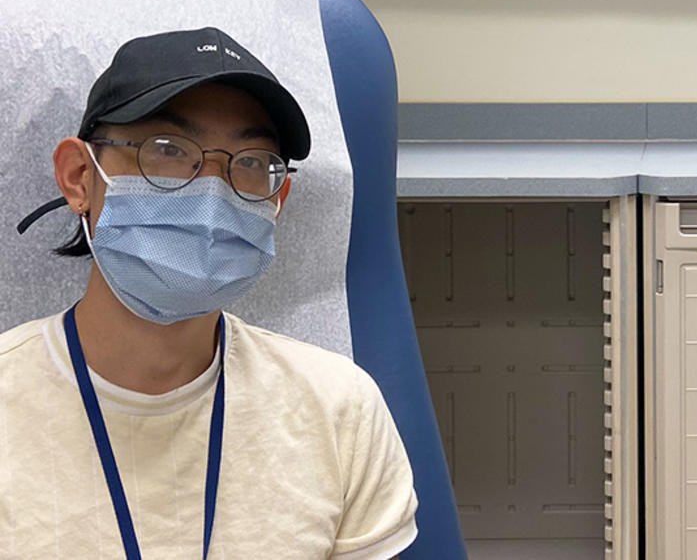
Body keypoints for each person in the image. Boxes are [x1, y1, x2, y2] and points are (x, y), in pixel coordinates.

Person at [0, 28, 418, 559]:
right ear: (81, 176)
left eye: (250, 163)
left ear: (278, 199)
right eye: (168, 150)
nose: (212, 194)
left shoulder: (339, 411)